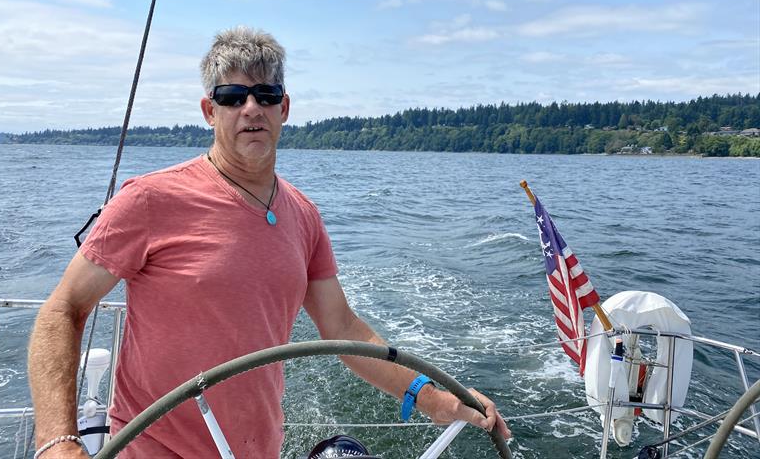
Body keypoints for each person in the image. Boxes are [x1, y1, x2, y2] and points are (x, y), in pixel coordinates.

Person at [27, 26, 510, 458]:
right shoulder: (150, 199)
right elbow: (63, 310)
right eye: (233, 96)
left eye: (265, 93)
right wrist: (58, 442)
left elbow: (342, 327)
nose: (251, 108)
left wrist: (434, 396)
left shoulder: (304, 217)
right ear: (208, 111)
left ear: (284, 108)